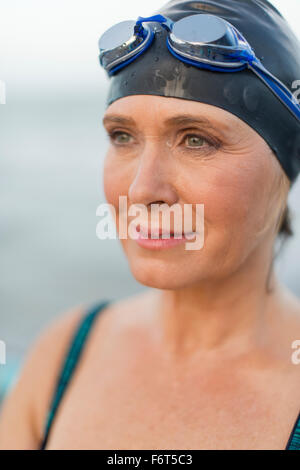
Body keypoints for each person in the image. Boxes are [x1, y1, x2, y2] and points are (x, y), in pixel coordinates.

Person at [1, 0, 300, 450]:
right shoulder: (64, 352)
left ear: (285, 163)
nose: (142, 190)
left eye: (196, 140)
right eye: (123, 136)